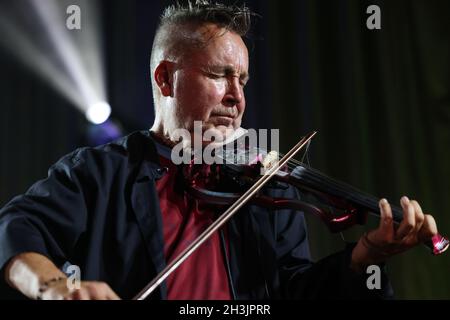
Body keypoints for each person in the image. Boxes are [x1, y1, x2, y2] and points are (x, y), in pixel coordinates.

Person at [0, 1, 441, 300]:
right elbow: (15, 231)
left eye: (243, 81)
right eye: (219, 75)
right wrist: (55, 288)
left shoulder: (263, 186)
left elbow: (292, 291)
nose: (236, 97)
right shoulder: (99, 172)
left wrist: (366, 256)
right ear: (165, 79)